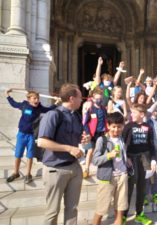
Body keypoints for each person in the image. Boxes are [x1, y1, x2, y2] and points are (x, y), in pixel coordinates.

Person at [37, 83, 89, 225]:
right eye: (79, 97)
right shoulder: (53, 115)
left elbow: (75, 138)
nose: (81, 100)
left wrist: (83, 139)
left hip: (74, 167)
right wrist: (69, 148)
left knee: (72, 209)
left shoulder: (77, 116)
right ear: (72, 98)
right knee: (52, 211)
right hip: (55, 169)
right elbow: (41, 142)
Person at [5, 89, 57, 184]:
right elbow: (14, 104)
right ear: (29, 99)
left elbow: (49, 109)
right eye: (34, 98)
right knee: (18, 155)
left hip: (31, 135)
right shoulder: (24, 105)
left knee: (30, 155)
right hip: (21, 134)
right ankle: (16, 173)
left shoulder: (39, 108)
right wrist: (8, 96)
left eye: (38, 98)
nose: (37, 100)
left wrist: (57, 103)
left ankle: (28, 174)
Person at [122, 104, 157, 225]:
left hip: (144, 159)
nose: (131, 115)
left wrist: (153, 159)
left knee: (142, 187)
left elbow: (151, 145)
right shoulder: (128, 126)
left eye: (134, 113)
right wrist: (126, 157)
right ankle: (123, 216)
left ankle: (139, 214)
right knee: (129, 188)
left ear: (142, 114)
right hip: (131, 159)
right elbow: (122, 144)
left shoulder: (148, 127)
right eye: (131, 113)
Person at [92, 112, 128, 225]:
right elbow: (95, 160)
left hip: (122, 175)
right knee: (101, 208)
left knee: (120, 207)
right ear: (108, 126)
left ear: (122, 126)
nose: (116, 129)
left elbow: (123, 155)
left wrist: (127, 161)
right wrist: (109, 155)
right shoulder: (102, 140)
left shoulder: (122, 138)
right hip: (107, 178)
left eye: (119, 127)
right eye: (113, 126)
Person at [82, 87, 107, 178]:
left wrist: (106, 130)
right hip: (91, 134)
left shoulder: (103, 109)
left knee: (101, 151)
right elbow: (84, 123)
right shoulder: (90, 109)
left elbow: (106, 121)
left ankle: (101, 170)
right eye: (97, 99)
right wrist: (88, 133)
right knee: (90, 150)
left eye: (100, 98)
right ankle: (86, 169)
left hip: (101, 133)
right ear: (93, 98)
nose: (99, 100)